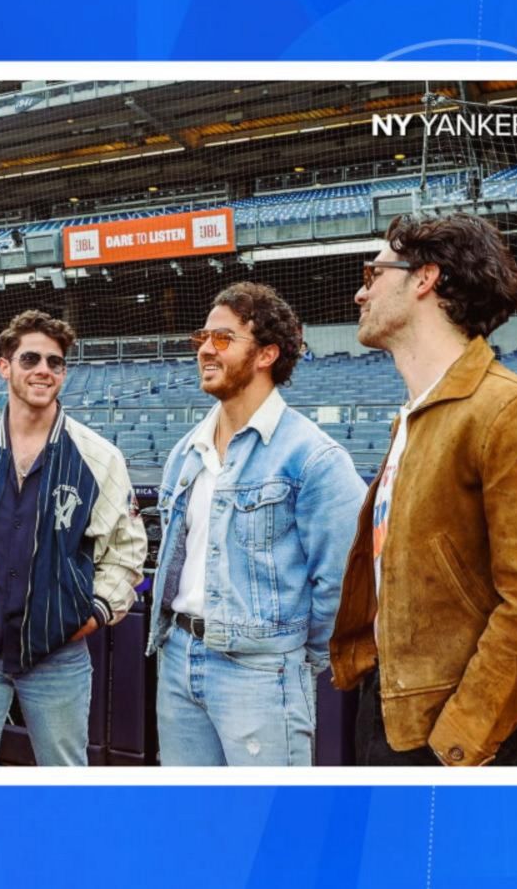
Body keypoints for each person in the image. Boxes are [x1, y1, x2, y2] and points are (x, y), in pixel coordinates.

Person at [330, 213, 517, 766]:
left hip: (477, 734)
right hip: (397, 710)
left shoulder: (515, 415)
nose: (360, 292)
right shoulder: (417, 419)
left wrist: (458, 739)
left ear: (424, 278)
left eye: (372, 274)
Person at [0, 311, 147, 766]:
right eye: (30, 358)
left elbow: (126, 551)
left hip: (59, 652)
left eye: (55, 363)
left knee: (64, 778)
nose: (43, 370)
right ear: (4, 367)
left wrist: (92, 613)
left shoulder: (99, 458)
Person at [148, 282, 364, 766]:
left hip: (261, 673)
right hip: (179, 658)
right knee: (196, 825)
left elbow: (343, 579)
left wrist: (287, 656)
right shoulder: (187, 450)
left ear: (267, 353)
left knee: (270, 824)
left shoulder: (313, 457)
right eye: (203, 336)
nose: (205, 348)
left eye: (223, 339)